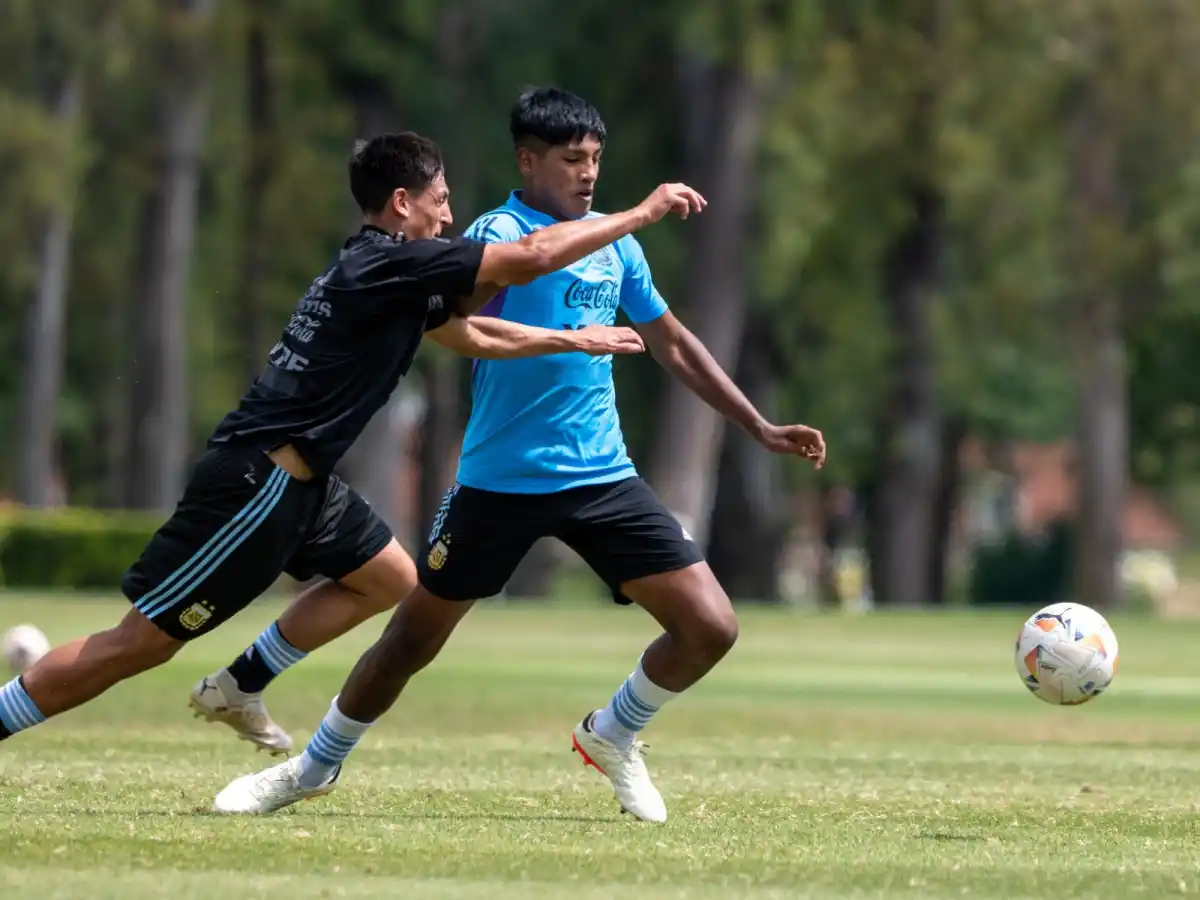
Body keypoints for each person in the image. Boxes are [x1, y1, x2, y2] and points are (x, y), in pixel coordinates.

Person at [212, 88, 821, 822]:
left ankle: (614, 733)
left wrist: (758, 425)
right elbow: (451, 324)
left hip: (601, 475)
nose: (588, 174)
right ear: (528, 160)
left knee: (711, 627)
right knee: (410, 639)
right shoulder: (496, 234)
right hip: (497, 482)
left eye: (596, 159)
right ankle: (311, 769)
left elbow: (672, 342)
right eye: (572, 160)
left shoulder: (614, 242)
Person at [0, 130, 705, 752]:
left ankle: (242, 684)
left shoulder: (393, 272)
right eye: (440, 200)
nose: (451, 216)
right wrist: (639, 215)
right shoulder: (394, 263)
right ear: (402, 203)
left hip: (305, 484)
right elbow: (525, 257)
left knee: (390, 577)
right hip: (258, 483)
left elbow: (471, 333)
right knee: (138, 644)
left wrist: (570, 338)